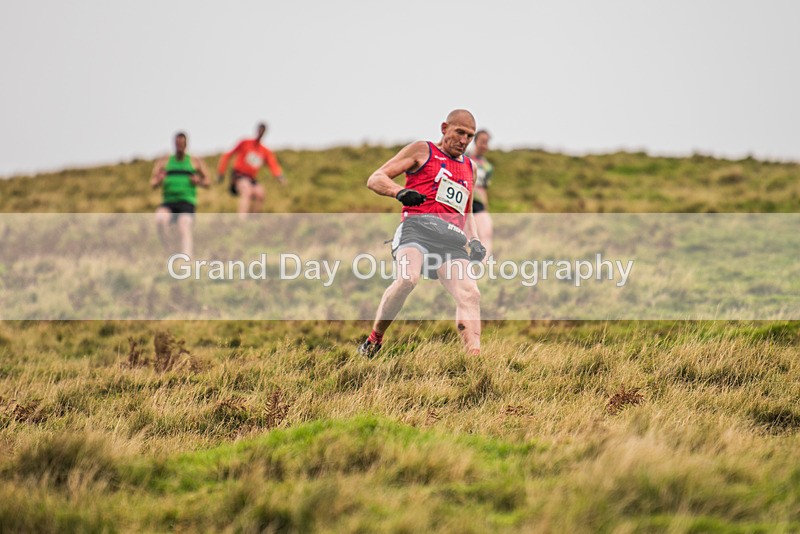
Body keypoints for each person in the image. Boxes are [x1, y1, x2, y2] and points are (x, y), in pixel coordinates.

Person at [358, 109, 487, 357]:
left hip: (450, 240)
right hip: (416, 231)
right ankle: (373, 341)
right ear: (444, 128)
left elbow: (467, 213)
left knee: (471, 293)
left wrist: (476, 242)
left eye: (469, 136)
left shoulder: (470, 167)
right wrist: (399, 192)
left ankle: (475, 359)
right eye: (459, 132)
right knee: (408, 279)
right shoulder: (422, 150)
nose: (463, 140)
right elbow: (376, 178)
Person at [150, 131, 210, 258]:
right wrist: (159, 180)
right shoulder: (165, 161)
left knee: (184, 225)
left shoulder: (194, 161)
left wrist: (198, 181)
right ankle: (169, 249)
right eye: (177, 144)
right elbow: (153, 182)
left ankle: (186, 258)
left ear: (186, 145)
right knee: (160, 220)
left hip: (187, 202)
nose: (180, 147)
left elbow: (207, 181)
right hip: (169, 202)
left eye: (182, 144)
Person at [217, 122, 286, 218]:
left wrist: (279, 176)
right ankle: (242, 219)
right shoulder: (245, 143)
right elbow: (228, 155)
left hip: (251, 178)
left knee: (260, 193)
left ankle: (254, 220)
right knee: (247, 191)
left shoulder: (264, 150)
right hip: (239, 175)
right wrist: (221, 171)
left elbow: (273, 164)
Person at [469, 129, 494, 260]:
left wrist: (485, 206)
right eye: (482, 142)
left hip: (478, 203)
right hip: (463, 202)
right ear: (475, 141)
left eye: (487, 142)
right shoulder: (464, 158)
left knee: (486, 232)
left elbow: (484, 189)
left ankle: (482, 265)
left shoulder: (487, 167)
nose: (484, 145)